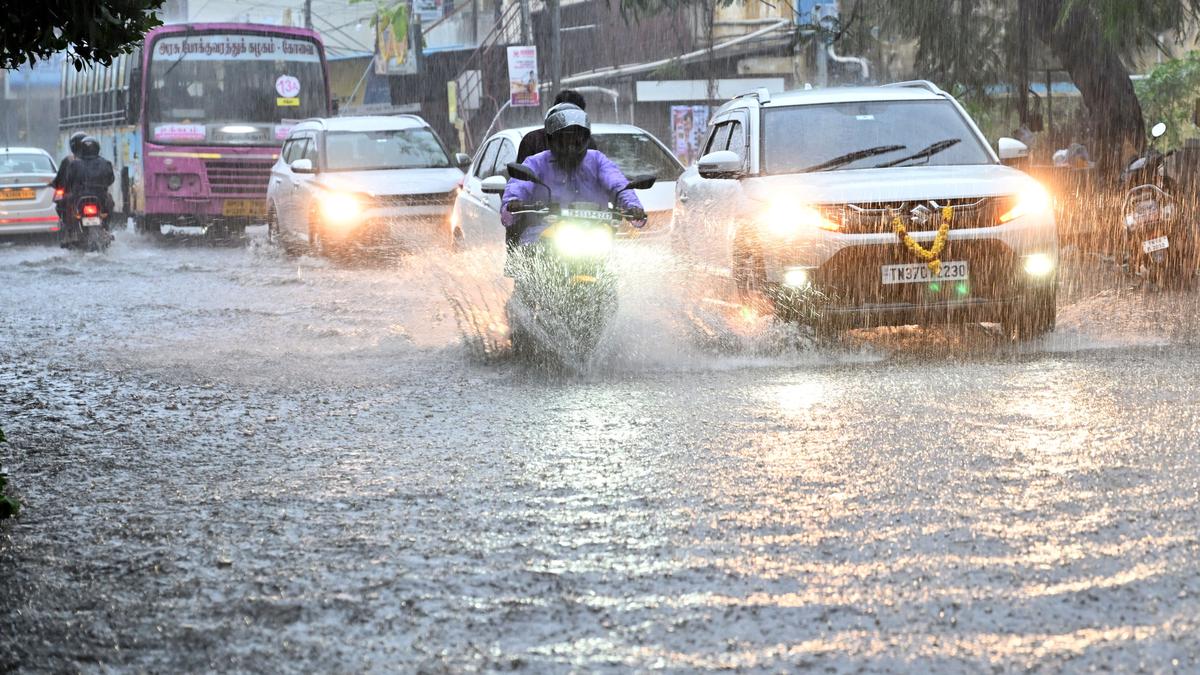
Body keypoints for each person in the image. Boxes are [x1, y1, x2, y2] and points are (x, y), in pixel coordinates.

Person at [502, 104, 645, 252]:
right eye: (564, 139)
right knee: (531, 258)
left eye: (576, 138)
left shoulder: (597, 160)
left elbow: (618, 183)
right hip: (544, 235)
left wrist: (633, 207)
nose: (570, 145)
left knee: (614, 262)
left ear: (585, 138)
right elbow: (518, 185)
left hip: (594, 235)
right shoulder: (536, 162)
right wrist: (514, 203)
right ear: (551, 139)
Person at [516, 90, 597, 163]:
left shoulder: (587, 142)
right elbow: (521, 176)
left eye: (576, 115)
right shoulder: (533, 141)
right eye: (566, 115)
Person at [61, 136, 115, 239]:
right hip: (100, 197)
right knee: (110, 204)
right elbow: (111, 179)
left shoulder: (74, 164)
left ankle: (69, 230)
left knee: (65, 203)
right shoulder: (105, 163)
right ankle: (106, 227)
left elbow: (68, 181)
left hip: (78, 197)